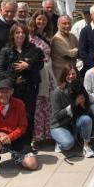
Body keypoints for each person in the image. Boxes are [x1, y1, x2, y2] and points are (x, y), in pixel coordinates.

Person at [0, 22, 44, 149]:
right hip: (13, 90)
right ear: (12, 34)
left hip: (30, 88)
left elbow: (40, 65)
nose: (20, 35)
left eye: (23, 32)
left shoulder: (32, 47)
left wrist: (29, 66)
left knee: (29, 116)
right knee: (13, 116)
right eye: (17, 32)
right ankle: (12, 143)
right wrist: (12, 80)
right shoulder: (6, 50)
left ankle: (27, 144)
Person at [0, 79, 38, 173]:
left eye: (7, 91)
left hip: (16, 137)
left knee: (32, 165)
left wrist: (10, 137)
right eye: (1, 91)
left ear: (12, 91)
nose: (4, 94)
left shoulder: (19, 104)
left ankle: (16, 156)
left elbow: (22, 126)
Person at [50, 65, 94, 157]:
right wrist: (74, 105)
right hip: (59, 125)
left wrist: (82, 105)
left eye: (73, 74)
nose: (71, 76)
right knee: (68, 144)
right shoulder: (57, 92)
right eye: (68, 74)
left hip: (73, 123)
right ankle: (59, 142)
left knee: (86, 119)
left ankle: (86, 146)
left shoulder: (79, 87)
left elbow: (86, 108)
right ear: (63, 75)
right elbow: (57, 115)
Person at [28, 10, 56, 146]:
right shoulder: (29, 37)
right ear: (34, 20)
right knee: (38, 106)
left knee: (48, 106)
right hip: (37, 75)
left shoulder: (47, 36)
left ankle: (48, 134)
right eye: (39, 19)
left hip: (48, 75)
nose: (41, 22)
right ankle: (37, 137)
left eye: (44, 20)